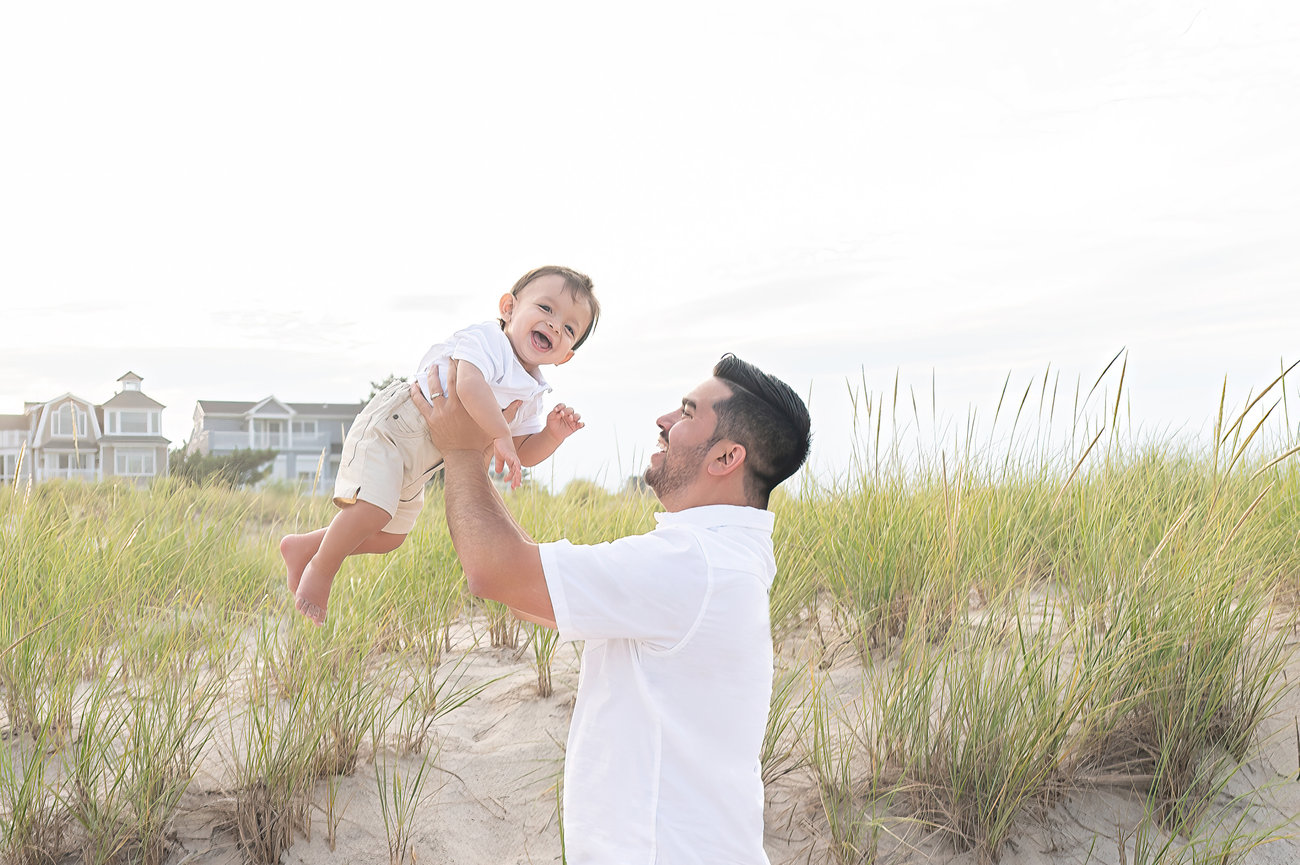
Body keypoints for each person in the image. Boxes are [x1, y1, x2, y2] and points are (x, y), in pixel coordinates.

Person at [409, 352, 811, 864]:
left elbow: (494, 571)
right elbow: (529, 595)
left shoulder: (693, 563)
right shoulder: (719, 558)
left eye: (687, 414)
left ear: (726, 458)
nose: (664, 422)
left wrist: (462, 448)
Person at [282, 265, 600, 625]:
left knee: (390, 536)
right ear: (508, 308)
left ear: (566, 355)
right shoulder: (489, 341)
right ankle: (321, 571)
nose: (556, 325)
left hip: (428, 457)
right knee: (373, 512)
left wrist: (551, 437)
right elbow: (468, 384)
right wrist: (499, 435)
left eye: (569, 328)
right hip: (396, 426)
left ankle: (304, 547)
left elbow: (520, 451)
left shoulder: (533, 392)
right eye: (545, 308)